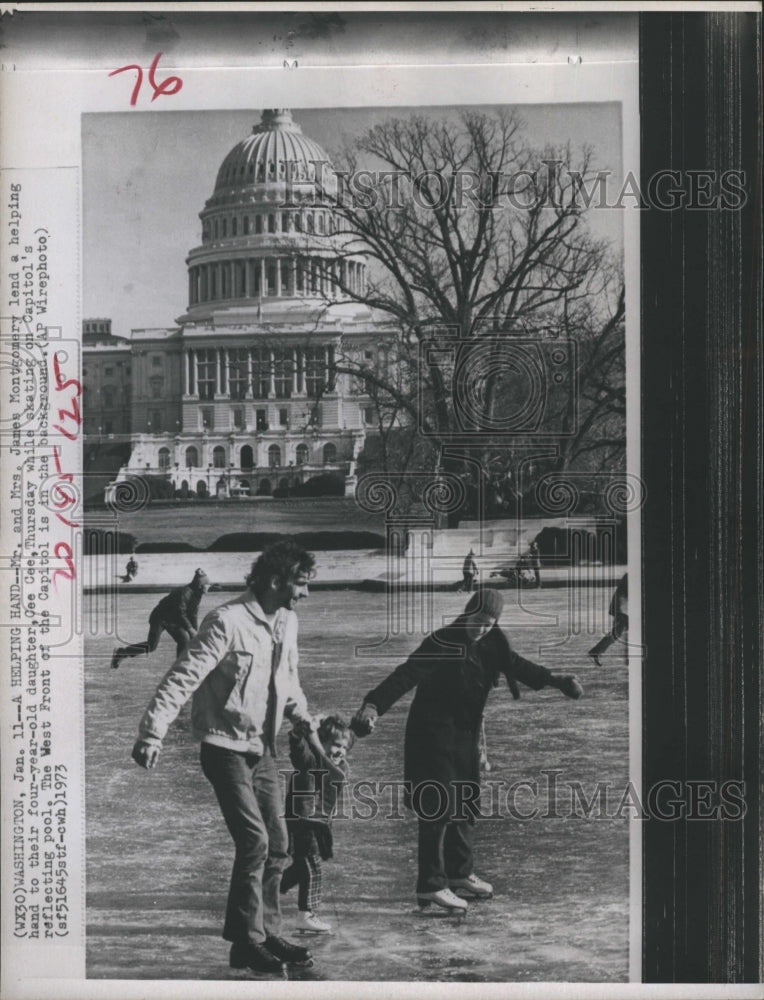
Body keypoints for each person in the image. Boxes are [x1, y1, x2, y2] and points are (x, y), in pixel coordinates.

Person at [131, 542, 318, 975]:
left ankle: (266, 932)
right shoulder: (226, 622)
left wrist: (302, 719)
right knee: (254, 841)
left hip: (262, 749)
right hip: (223, 748)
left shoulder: (287, 622)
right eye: (301, 584)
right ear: (275, 581)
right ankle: (246, 943)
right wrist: (152, 731)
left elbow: (287, 681)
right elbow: (183, 677)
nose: (305, 594)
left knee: (279, 843)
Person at [351, 589, 583, 913]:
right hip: (431, 735)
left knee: (465, 802)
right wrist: (373, 705)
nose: (482, 629)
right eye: (478, 621)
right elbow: (407, 674)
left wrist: (556, 681)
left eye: (489, 624)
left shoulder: (493, 643)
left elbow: (517, 665)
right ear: (466, 613)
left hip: (464, 735)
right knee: (437, 808)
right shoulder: (442, 641)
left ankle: (459, 874)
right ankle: (431, 885)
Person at [280, 714, 354, 934]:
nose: (340, 751)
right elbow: (299, 750)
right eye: (335, 746)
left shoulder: (335, 764)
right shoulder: (311, 760)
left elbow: (352, 736)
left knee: (302, 866)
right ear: (320, 743)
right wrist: (298, 734)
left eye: (344, 747)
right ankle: (306, 914)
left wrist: (362, 721)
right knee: (311, 866)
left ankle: (269, 889)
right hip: (303, 822)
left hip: (317, 823)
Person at [110, 568, 210, 669]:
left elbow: (193, 614)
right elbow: (181, 612)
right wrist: (190, 629)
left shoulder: (198, 594)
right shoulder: (185, 593)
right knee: (151, 646)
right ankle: (123, 652)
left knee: (184, 639)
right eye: (207, 584)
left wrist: (195, 632)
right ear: (200, 585)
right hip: (160, 618)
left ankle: (179, 667)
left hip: (174, 621)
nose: (209, 586)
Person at [588, 573, 628, 666]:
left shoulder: (632, 574)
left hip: (623, 608)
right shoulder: (633, 575)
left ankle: (596, 651)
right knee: (617, 632)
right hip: (623, 608)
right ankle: (596, 651)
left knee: (618, 632)